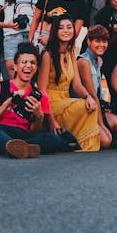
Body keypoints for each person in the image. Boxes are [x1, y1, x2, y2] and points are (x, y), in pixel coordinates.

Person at [0, 43, 69, 158]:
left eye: (33, 63)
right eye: (24, 62)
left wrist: (39, 116)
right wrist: (7, 103)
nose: (28, 66)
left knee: (52, 139)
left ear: (36, 68)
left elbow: (34, 131)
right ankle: (15, 146)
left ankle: (3, 147)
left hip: (24, 134)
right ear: (15, 66)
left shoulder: (40, 96)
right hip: (2, 129)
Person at [39, 15, 102, 152]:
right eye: (61, 28)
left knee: (91, 105)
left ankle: (82, 144)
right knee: (81, 106)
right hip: (51, 103)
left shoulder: (71, 52)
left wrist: (88, 97)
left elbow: (77, 85)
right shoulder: (47, 54)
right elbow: (42, 90)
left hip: (66, 100)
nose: (66, 31)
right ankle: (80, 143)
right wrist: (51, 120)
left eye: (69, 27)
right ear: (55, 31)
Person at [75, 25, 117, 149]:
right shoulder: (84, 62)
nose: (101, 45)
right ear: (89, 42)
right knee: (106, 141)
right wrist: (101, 125)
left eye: (104, 41)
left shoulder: (98, 60)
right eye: (97, 41)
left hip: (95, 107)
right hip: (83, 109)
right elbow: (92, 94)